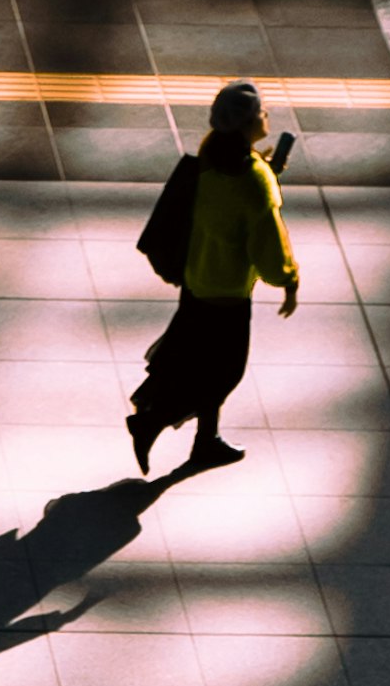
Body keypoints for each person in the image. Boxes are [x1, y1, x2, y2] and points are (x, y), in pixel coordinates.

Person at [126, 81, 299, 476]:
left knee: (193, 361)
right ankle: (151, 422)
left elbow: (224, 202)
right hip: (227, 291)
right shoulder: (255, 180)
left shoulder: (212, 152)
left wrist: (268, 169)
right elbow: (268, 244)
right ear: (247, 123)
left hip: (196, 276)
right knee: (224, 372)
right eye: (262, 112)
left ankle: (206, 441)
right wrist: (289, 281)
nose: (266, 116)